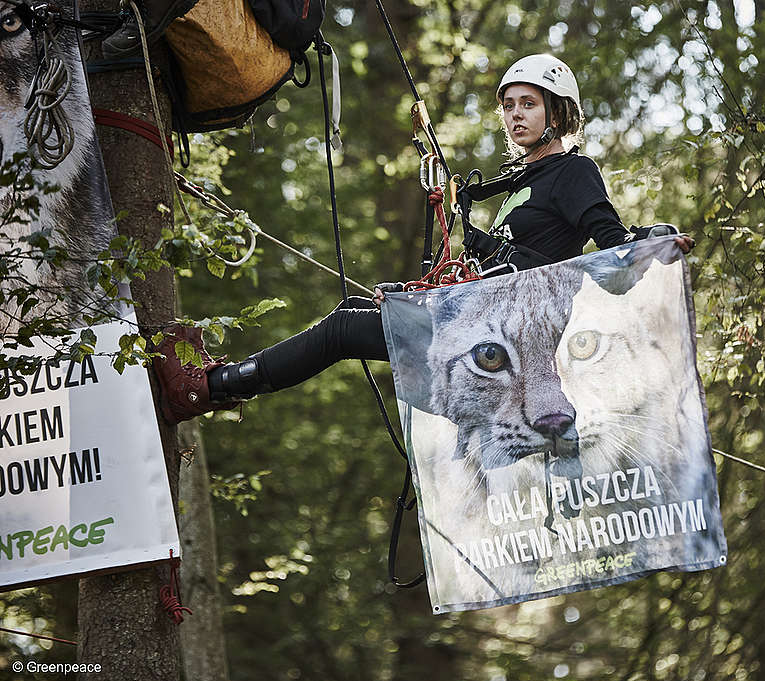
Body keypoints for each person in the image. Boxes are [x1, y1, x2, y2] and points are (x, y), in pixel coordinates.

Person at [156, 53, 694, 423]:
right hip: (475, 316)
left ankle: (210, 388)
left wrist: (654, 243)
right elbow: (492, 269)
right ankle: (218, 385)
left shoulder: (573, 173)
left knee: (344, 328)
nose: (514, 116)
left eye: (528, 104)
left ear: (557, 113)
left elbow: (613, 250)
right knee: (352, 309)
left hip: (505, 338)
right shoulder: (517, 185)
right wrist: (418, 296)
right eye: (508, 106)